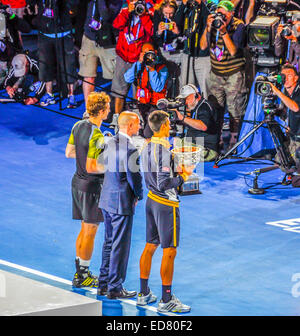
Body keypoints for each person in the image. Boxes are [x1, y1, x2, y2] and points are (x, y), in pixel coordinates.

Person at [138, 110, 194, 313]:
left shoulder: (146, 145)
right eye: (169, 123)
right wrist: (184, 176)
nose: (171, 126)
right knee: (169, 251)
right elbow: (164, 183)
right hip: (166, 204)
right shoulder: (161, 151)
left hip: (151, 200)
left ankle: (143, 294)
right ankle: (166, 299)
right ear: (163, 126)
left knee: (150, 246)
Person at [93, 111, 143, 299]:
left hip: (106, 199)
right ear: (129, 126)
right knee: (119, 246)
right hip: (121, 202)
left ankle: (103, 284)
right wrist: (138, 195)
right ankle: (114, 287)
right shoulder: (130, 149)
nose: (139, 127)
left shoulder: (109, 142)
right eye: (137, 124)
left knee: (108, 242)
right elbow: (134, 178)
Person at [65, 91, 111, 288]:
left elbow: (69, 153)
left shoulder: (78, 125)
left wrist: (87, 156)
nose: (109, 111)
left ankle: (80, 272)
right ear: (101, 112)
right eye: (107, 108)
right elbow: (93, 167)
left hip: (77, 184)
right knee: (90, 231)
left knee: (85, 228)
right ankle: (83, 276)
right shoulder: (97, 133)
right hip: (92, 187)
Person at [200, 0, 248, 149]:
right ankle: (216, 140)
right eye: (219, 12)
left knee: (235, 111)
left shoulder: (238, 25)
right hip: (216, 74)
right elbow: (202, 46)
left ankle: (234, 143)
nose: (222, 16)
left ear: (232, 13)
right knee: (215, 109)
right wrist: (208, 29)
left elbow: (233, 51)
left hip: (234, 74)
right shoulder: (213, 23)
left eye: (225, 13)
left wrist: (223, 31)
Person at [27, 0, 78, 108]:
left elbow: (74, 4)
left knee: (68, 66)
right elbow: (30, 2)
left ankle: (71, 95)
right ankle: (49, 94)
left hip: (64, 33)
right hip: (45, 34)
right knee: (45, 65)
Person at [110, 0, 154, 126]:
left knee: (139, 92)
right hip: (123, 55)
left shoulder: (149, 7)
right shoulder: (125, 6)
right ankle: (116, 117)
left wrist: (144, 15)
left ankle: (139, 119)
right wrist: (126, 12)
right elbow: (116, 25)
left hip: (139, 58)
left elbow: (151, 31)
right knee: (119, 90)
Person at [78, 0, 122, 106]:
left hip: (108, 41)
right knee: (88, 76)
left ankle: (113, 110)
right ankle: (89, 110)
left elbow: (106, 15)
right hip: (89, 38)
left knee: (114, 78)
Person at [124, 42, 169, 138]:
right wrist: (138, 63)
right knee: (132, 130)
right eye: (145, 53)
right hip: (141, 105)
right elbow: (127, 78)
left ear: (155, 52)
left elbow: (157, 88)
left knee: (147, 133)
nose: (148, 56)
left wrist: (152, 69)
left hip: (156, 107)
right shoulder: (139, 66)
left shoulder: (162, 68)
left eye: (150, 53)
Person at [175, 83, 220, 160]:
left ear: (196, 95)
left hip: (206, 148)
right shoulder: (195, 106)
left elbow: (203, 126)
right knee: (172, 143)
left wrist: (182, 118)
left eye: (187, 99)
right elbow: (194, 123)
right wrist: (177, 120)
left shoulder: (204, 107)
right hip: (195, 144)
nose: (185, 102)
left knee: (176, 153)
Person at [176, 0, 211, 98]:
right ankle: (186, 113)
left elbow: (208, 19)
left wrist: (201, 4)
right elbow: (177, 23)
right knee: (186, 90)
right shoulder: (187, 8)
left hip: (203, 56)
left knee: (205, 91)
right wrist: (183, 5)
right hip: (188, 54)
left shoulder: (208, 6)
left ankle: (205, 111)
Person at [270, 64, 300, 171]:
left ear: (296, 78)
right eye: (283, 76)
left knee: (290, 163)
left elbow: (295, 108)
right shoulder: (286, 91)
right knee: (280, 160)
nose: (285, 78)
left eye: (289, 76)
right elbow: (286, 113)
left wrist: (277, 92)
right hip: (293, 135)